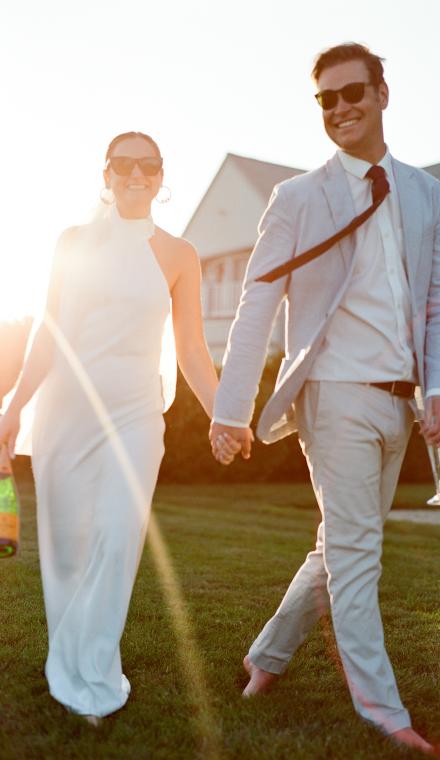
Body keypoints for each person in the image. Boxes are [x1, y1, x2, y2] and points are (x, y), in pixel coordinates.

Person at [210, 43, 440, 753]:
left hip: (397, 404)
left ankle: (264, 660)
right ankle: (382, 711)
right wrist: (230, 410)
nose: (340, 107)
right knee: (357, 551)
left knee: (339, 547)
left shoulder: (424, 193)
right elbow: (256, 304)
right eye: (326, 98)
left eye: (352, 92)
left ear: (382, 93)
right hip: (331, 395)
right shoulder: (295, 198)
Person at [0, 132, 222, 724]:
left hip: (135, 413)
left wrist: (224, 414)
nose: (136, 175)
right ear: (106, 171)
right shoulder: (72, 243)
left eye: (148, 166)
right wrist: (15, 407)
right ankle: (68, 661)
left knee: (119, 537)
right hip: (65, 412)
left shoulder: (180, 255)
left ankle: (93, 677)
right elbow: (49, 334)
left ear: (160, 175)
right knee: (69, 549)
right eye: (124, 164)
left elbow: (193, 350)